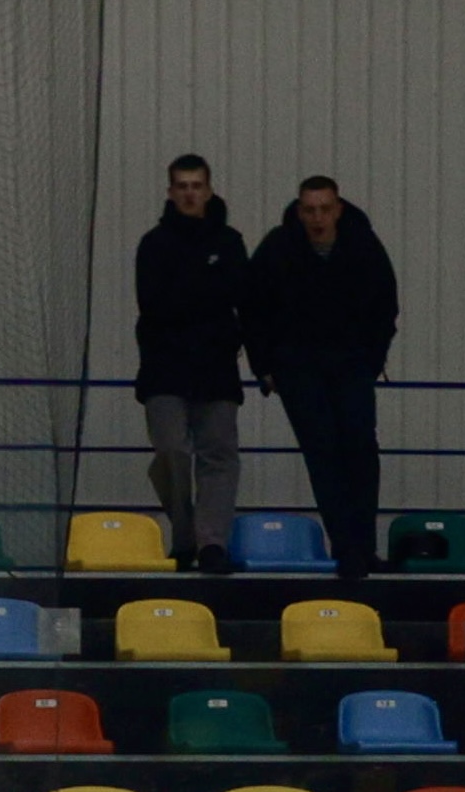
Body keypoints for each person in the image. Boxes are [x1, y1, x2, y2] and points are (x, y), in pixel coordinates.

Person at [244, 177, 399, 580]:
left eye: (324, 209)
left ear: (338, 209)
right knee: (323, 453)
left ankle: (363, 546)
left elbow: (385, 305)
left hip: (351, 363)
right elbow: (253, 307)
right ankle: (347, 548)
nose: (317, 218)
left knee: (361, 449)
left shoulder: (363, 246)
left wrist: (371, 358)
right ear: (299, 211)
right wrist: (265, 366)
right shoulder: (278, 248)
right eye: (310, 210)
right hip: (297, 367)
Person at [133, 156, 249, 572]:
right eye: (182, 186)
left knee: (219, 455)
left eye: (196, 186)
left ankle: (211, 542)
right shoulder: (153, 244)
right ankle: (184, 534)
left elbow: (244, 300)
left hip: (216, 368)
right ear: (170, 192)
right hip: (165, 368)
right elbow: (154, 304)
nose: (189, 193)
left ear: (209, 190)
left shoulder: (230, 242)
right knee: (171, 451)